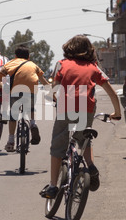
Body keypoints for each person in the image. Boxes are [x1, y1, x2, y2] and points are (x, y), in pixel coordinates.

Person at [40, 35, 121, 199]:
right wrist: (117, 112)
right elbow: (111, 91)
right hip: (87, 108)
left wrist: (55, 98)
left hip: (66, 107)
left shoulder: (61, 64)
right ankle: (90, 166)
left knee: (58, 146)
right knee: (84, 139)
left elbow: (54, 89)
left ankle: (53, 186)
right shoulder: (93, 67)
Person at [0, 45, 49, 152]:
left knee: (13, 115)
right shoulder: (33, 65)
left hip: (15, 90)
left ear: (15, 56)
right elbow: (43, 80)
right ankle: (33, 123)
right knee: (31, 108)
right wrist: (52, 93)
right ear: (28, 57)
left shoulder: (9, 64)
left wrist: (4, 86)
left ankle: (11, 141)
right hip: (30, 89)